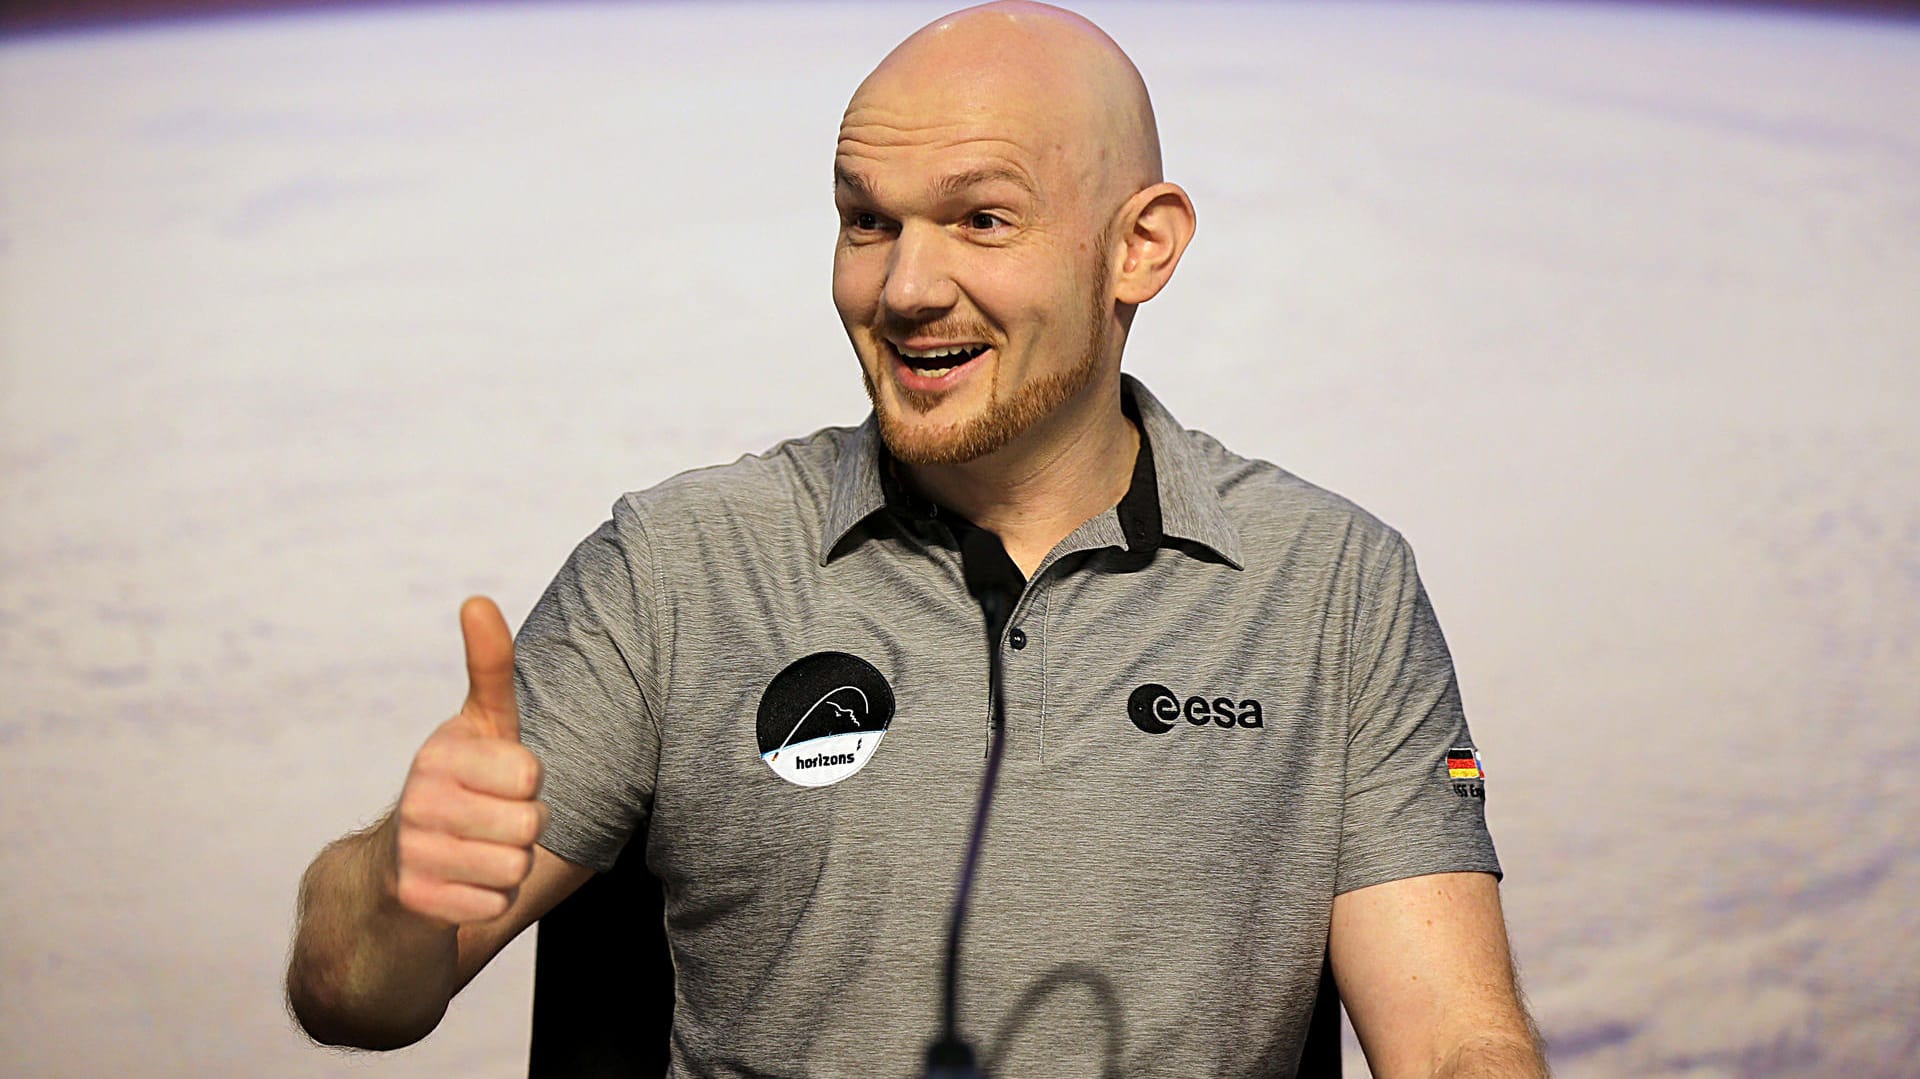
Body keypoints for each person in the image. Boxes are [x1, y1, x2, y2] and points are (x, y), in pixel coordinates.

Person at [286, 3, 1547, 1076]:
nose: (901, 289)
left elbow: (1450, 1038)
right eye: (867, 220)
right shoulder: (679, 565)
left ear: (1141, 247)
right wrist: (402, 873)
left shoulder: (1331, 582)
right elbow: (355, 995)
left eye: (980, 222)